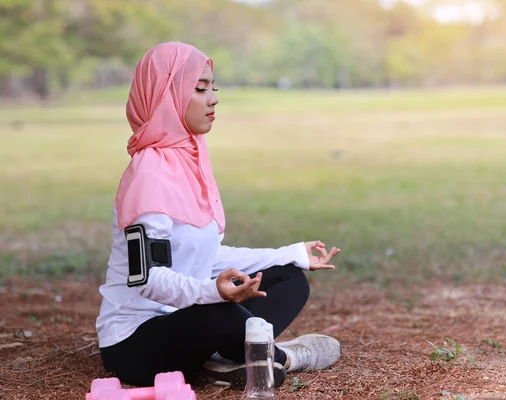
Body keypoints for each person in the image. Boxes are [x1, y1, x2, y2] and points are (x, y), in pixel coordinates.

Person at [95, 42, 342, 389]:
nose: (213, 98)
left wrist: (292, 254)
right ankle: (284, 357)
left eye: (213, 87)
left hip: (191, 317)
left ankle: (223, 361)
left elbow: (207, 257)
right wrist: (213, 292)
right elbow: (148, 279)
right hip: (135, 343)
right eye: (198, 89)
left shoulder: (190, 160)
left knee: (289, 279)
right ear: (166, 95)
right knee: (216, 313)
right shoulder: (148, 174)